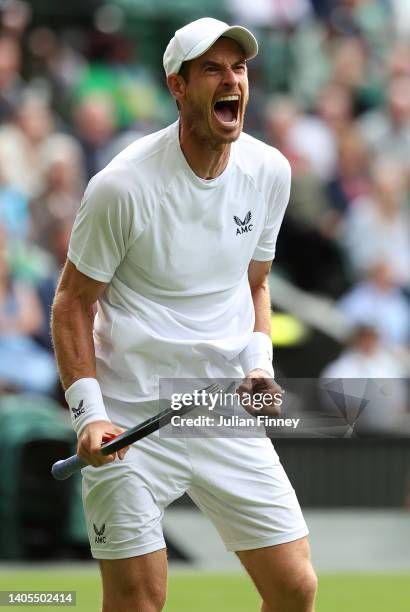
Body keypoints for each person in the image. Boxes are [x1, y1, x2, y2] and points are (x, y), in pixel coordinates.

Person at [52, 18, 317, 612]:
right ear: (177, 86)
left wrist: (258, 363)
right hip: (128, 420)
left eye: (239, 68)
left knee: (296, 589)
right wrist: (89, 416)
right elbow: (72, 303)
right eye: (212, 70)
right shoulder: (120, 187)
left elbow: (255, 284)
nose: (233, 81)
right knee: (138, 602)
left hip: (220, 410)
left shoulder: (270, 170)